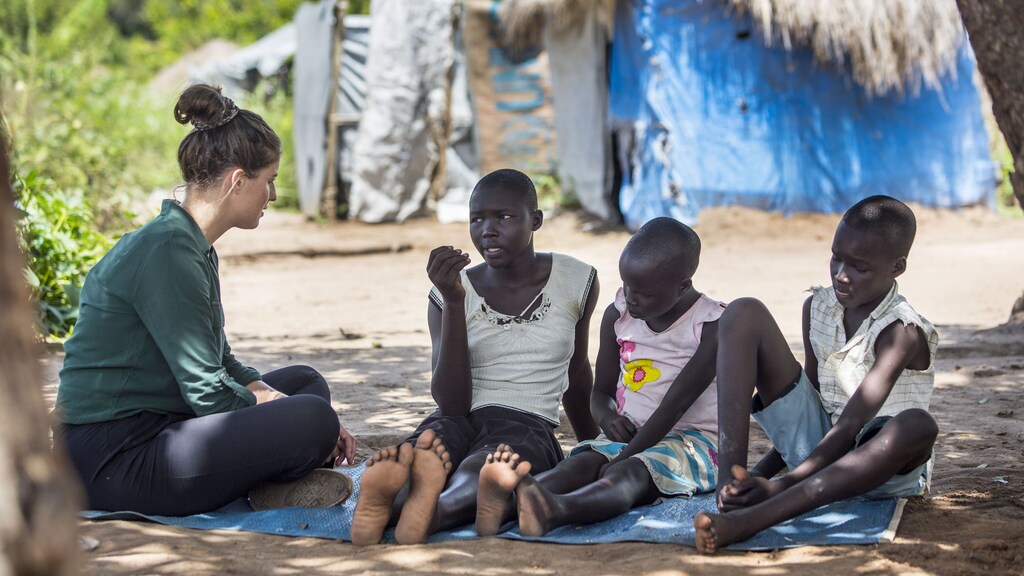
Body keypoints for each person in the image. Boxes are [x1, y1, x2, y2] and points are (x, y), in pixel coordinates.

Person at [53, 84, 355, 516]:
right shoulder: (167, 250)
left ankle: (270, 479)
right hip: (110, 457)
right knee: (312, 420)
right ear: (237, 180)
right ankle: (271, 479)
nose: (271, 195)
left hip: (164, 424)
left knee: (306, 384)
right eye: (268, 181)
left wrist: (269, 396)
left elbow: (220, 361)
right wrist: (279, 411)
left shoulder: (190, 245)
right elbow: (207, 391)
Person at [349, 168, 601, 545]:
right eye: (477, 218)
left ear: (535, 220)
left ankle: (414, 510)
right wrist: (453, 301)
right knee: (430, 456)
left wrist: (590, 442)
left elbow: (577, 371)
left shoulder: (576, 279)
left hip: (525, 422)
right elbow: (451, 403)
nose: (488, 230)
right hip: (456, 417)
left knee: (476, 469)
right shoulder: (450, 290)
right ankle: (405, 504)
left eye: (504, 217)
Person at [694, 195, 939, 553]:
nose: (841, 274)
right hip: (819, 452)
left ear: (897, 267)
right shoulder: (819, 306)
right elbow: (810, 400)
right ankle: (727, 492)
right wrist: (758, 476)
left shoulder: (901, 333)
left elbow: (852, 424)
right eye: (836, 256)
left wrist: (782, 485)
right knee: (744, 312)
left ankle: (748, 521)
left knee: (918, 425)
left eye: (859, 267)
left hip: (881, 469)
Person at [474, 217, 724, 536]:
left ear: (682, 287)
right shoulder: (620, 317)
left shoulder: (710, 326)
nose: (631, 298)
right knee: (581, 464)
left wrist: (626, 456)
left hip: (693, 442)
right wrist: (606, 417)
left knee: (629, 475)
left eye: (644, 293)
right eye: (627, 285)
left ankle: (552, 510)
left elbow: (675, 406)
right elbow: (600, 393)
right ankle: (510, 499)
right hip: (630, 435)